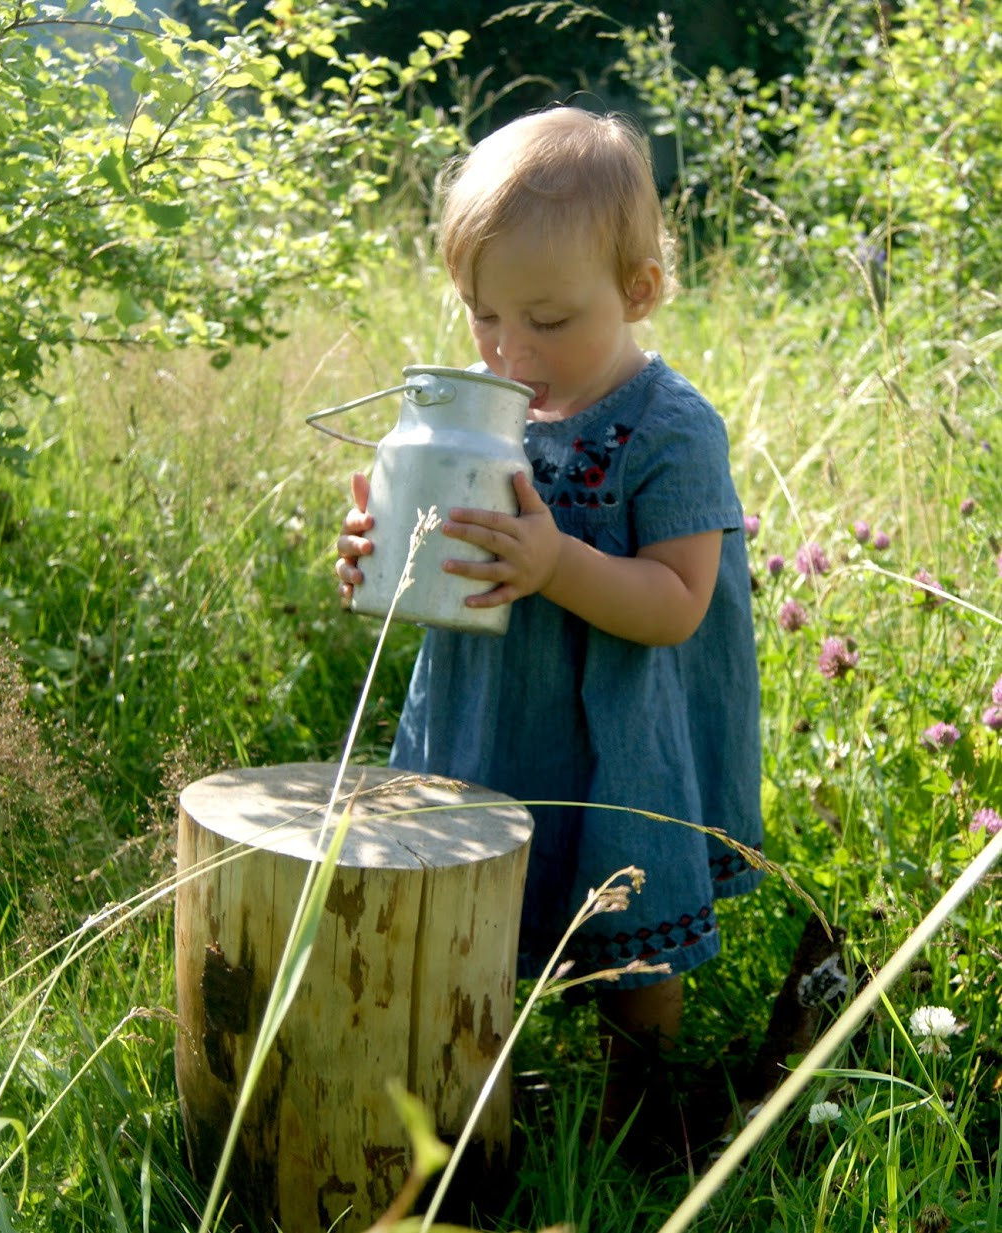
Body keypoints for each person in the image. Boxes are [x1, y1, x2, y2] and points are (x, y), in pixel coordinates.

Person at [334, 106, 763, 1150]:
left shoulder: (670, 427)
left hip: (621, 735)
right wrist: (381, 548)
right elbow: (439, 559)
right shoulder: (481, 416)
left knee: (630, 929)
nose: (508, 352)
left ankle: (637, 1108)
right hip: (490, 722)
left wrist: (556, 562)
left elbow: (676, 603)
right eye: (482, 317)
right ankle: (476, 1099)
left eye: (547, 320)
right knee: (467, 911)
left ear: (637, 292)